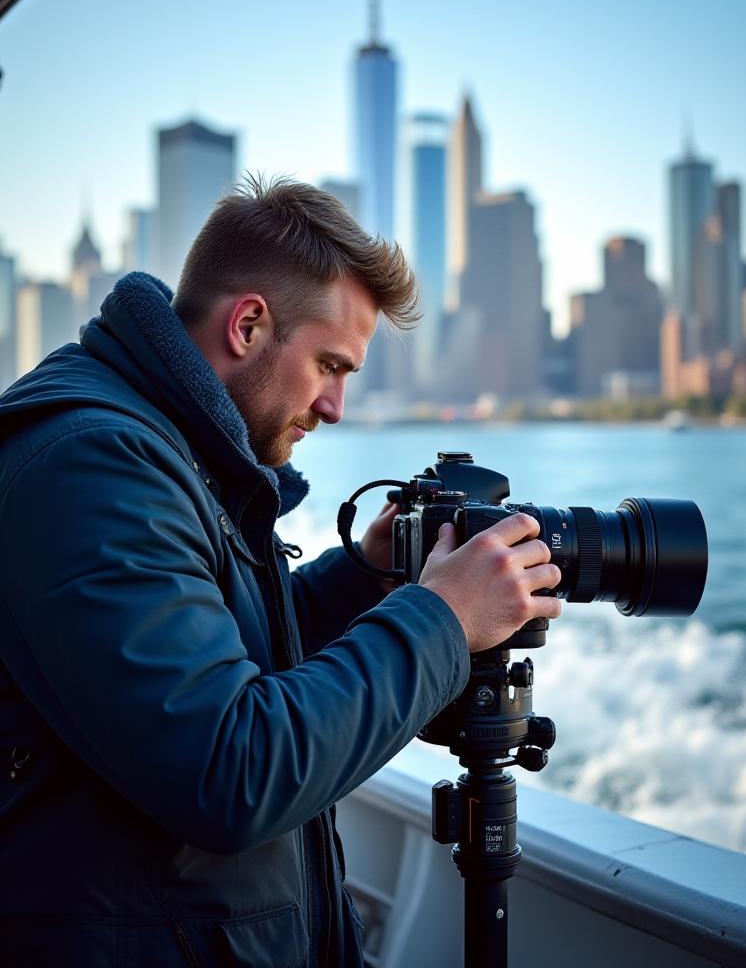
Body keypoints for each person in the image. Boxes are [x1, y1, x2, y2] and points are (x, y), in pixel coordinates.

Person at [0, 177, 561, 968]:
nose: (335, 406)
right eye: (330, 365)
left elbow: (213, 654)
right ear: (250, 324)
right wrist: (443, 619)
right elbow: (230, 770)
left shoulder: (172, 452)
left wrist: (365, 577)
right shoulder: (95, 463)